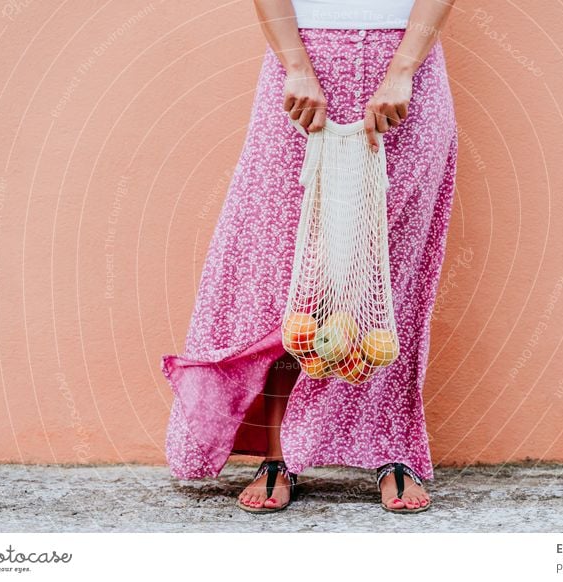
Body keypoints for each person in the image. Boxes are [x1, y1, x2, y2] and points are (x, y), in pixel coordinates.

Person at [161, 0, 458, 514]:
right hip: (302, 75)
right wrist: (295, 66)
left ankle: (394, 449)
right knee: (288, 276)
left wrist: (402, 71)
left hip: (407, 75)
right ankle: (278, 455)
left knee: (391, 276)